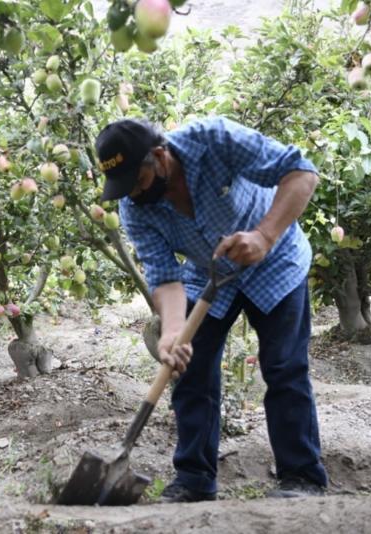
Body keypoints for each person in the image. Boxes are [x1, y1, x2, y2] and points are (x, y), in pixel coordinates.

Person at [95, 117, 328, 502]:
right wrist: (172, 332)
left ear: (159, 156)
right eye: (124, 187)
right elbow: (164, 275)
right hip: (210, 273)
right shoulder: (135, 208)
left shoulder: (215, 140)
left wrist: (265, 235)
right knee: (189, 370)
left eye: (138, 181)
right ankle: (194, 479)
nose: (133, 194)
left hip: (274, 260)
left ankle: (302, 477)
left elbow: (301, 172)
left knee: (285, 367)